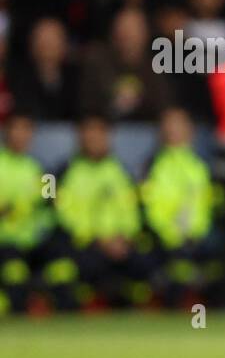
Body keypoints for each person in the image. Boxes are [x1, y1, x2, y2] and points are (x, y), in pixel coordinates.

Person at [46, 116, 150, 310]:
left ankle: (133, 317)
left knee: (145, 261)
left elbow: (132, 212)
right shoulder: (64, 172)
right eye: (88, 133)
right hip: (82, 244)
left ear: (109, 136)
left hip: (119, 244)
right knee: (62, 262)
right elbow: (61, 216)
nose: (93, 138)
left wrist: (123, 238)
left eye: (99, 133)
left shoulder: (121, 171)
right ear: (79, 137)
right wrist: (98, 240)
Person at [138, 108, 215, 308]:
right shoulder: (152, 166)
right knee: (173, 269)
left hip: (200, 242)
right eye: (168, 124)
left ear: (190, 130)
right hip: (164, 242)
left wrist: (196, 235)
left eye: (178, 124)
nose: (172, 129)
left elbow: (210, 207)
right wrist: (172, 237)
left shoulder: (203, 166)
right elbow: (148, 209)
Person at [0, 113, 54, 314]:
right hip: (5, 242)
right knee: (15, 271)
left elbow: (50, 211)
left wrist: (41, 235)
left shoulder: (45, 172)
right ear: (6, 132)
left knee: (61, 266)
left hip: (34, 244)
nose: (21, 135)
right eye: (16, 129)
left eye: (26, 129)